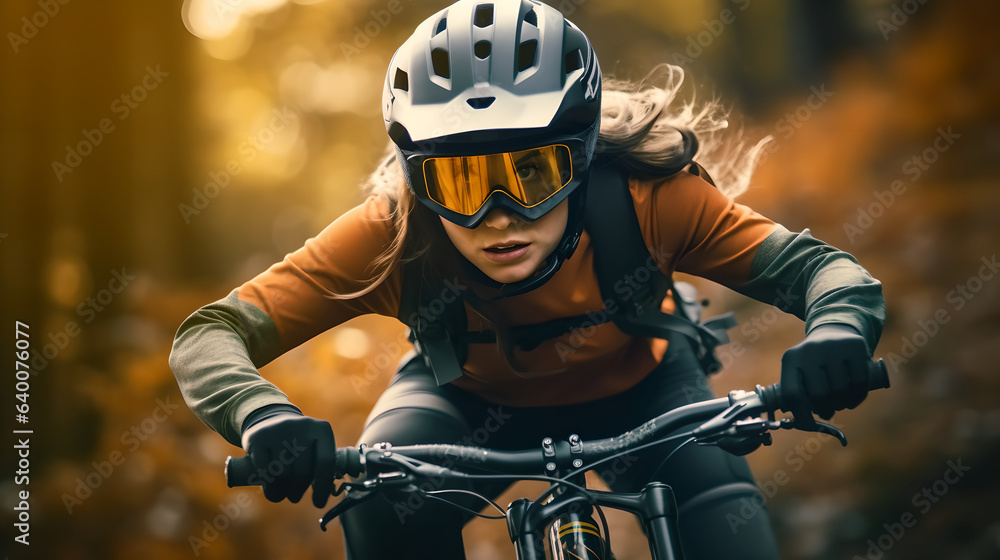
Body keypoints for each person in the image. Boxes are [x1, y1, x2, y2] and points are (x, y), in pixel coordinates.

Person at [170, 1, 885, 558]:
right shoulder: (395, 234)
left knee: (730, 530)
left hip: (646, 390)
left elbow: (822, 272)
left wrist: (837, 331)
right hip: (464, 406)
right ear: (419, 180)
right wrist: (264, 416)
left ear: (580, 156)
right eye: (458, 180)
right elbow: (211, 333)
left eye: (532, 172)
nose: (497, 217)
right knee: (379, 511)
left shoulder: (651, 201)